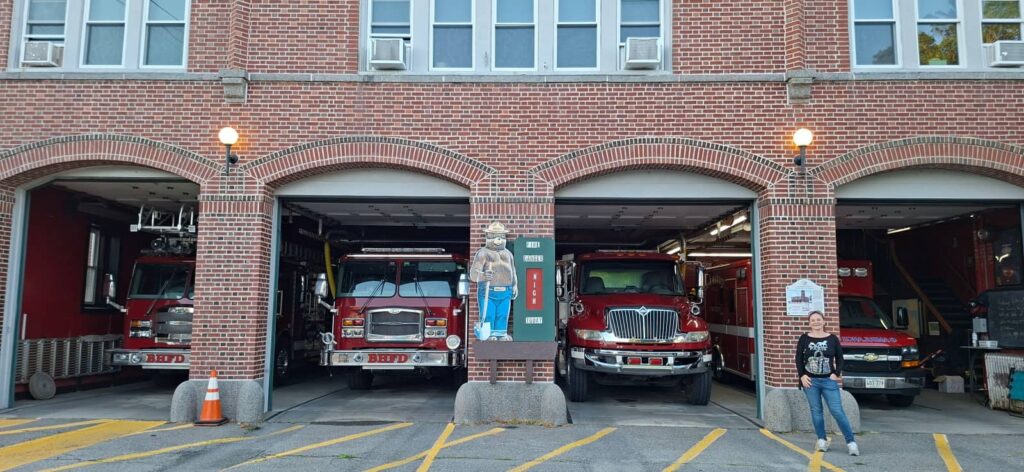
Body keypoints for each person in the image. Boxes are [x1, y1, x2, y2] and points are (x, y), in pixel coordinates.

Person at [796, 310, 860, 456]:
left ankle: (851, 442)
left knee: (837, 411)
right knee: (816, 412)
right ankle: (821, 440)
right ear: (809, 323)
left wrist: (836, 374)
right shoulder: (804, 338)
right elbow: (798, 358)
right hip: (810, 381)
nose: (816, 322)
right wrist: (802, 376)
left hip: (828, 381)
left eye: (818, 319)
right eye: (813, 320)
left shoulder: (832, 339)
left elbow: (840, 358)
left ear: (824, 322)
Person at [469, 221, 517, 341]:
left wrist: (515, 285)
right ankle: (489, 334)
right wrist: (483, 275)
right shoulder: (483, 253)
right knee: (488, 314)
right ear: (488, 237)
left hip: (506, 290)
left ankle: (501, 334)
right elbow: (473, 274)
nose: (498, 240)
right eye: (495, 236)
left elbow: (513, 271)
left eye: (501, 236)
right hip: (488, 291)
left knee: (503, 314)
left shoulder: (508, 254)